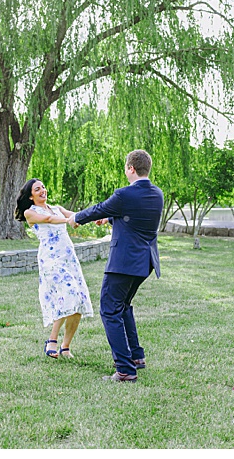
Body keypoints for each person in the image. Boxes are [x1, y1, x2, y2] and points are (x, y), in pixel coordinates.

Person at [70, 149, 163, 382]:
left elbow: (99, 208)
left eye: (125, 167)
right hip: (145, 262)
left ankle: (125, 370)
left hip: (123, 263)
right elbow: (134, 216)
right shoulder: (156, 194)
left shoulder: (123, 194)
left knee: (110, 310)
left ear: (131, 168)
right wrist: (111, 218)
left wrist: (76, 218)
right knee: (124, 307)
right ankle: (136, 357)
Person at [16, 178, 92, 359]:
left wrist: (98, 218)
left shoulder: (57, 208)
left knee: (78, 301)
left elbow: (77, 215)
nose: (42, 190)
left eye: (43, 187)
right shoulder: (30, 212)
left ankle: (65, 347)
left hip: (68, 259)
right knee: (68, 294)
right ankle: (51, 340)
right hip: (51, 261)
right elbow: (49, 219)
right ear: (31, 195)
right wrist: (69, 220)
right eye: (37, 189)